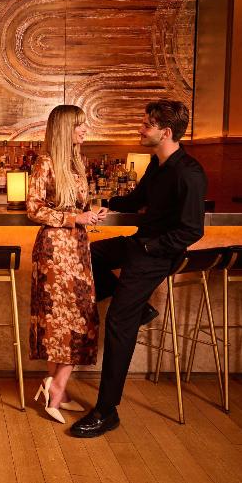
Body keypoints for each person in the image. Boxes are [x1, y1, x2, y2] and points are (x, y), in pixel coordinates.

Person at [70, 99, 207, 438]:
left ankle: (106, 411)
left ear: (166, 132)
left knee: (118, 322)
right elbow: (135, 201)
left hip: (158, 254)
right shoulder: (157, 164)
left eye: (147, 124)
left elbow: (191, 231)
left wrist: (149, 247)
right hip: (141, 243)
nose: (140, 129)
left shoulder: (189, 173)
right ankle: (139, 308)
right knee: (85, 253)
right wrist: (99, 205)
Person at [27, 105, 106, 424]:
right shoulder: (45, 162)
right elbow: (34, 209)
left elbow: (77, 207)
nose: (85, 129)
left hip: (77, 247)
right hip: (55, 251)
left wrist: (91, 215)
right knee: (64, 321)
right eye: (79, 125)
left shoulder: (77, 162)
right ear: (63, 129)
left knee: (70, 320)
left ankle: (55, 388)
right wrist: (75, 218)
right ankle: (57, 387)